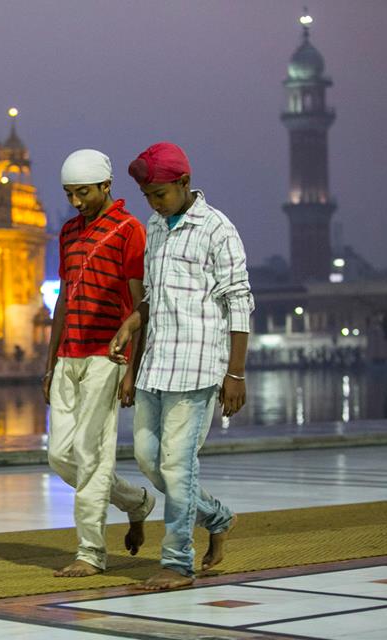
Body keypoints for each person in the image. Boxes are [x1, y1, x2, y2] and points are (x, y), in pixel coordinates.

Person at [110, 141, 254, 590]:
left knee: (178, 466)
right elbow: (153, 298)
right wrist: (131, 325)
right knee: (151, 461)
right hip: (157, 363)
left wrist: (235, 373)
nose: (154, 204)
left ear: (185, 184)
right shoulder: (156, 226)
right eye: (148, 197)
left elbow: (240, 302)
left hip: (197, 368)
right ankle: (218, 518)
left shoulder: (217, 229)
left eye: (160, 194)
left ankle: (177, 562)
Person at [44, 149, 156, 578]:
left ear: (107, 186)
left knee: (92, 454)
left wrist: (131, 367)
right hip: (69, 354)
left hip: (106, 356)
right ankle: (135, 502)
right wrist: (49, 361)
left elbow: (138, 304)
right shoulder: (69, 232)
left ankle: (90, 552)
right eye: (70, 193)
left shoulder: (130, 230)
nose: (76, 202)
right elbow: (63, 299)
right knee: (59, 456)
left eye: (83, 192)